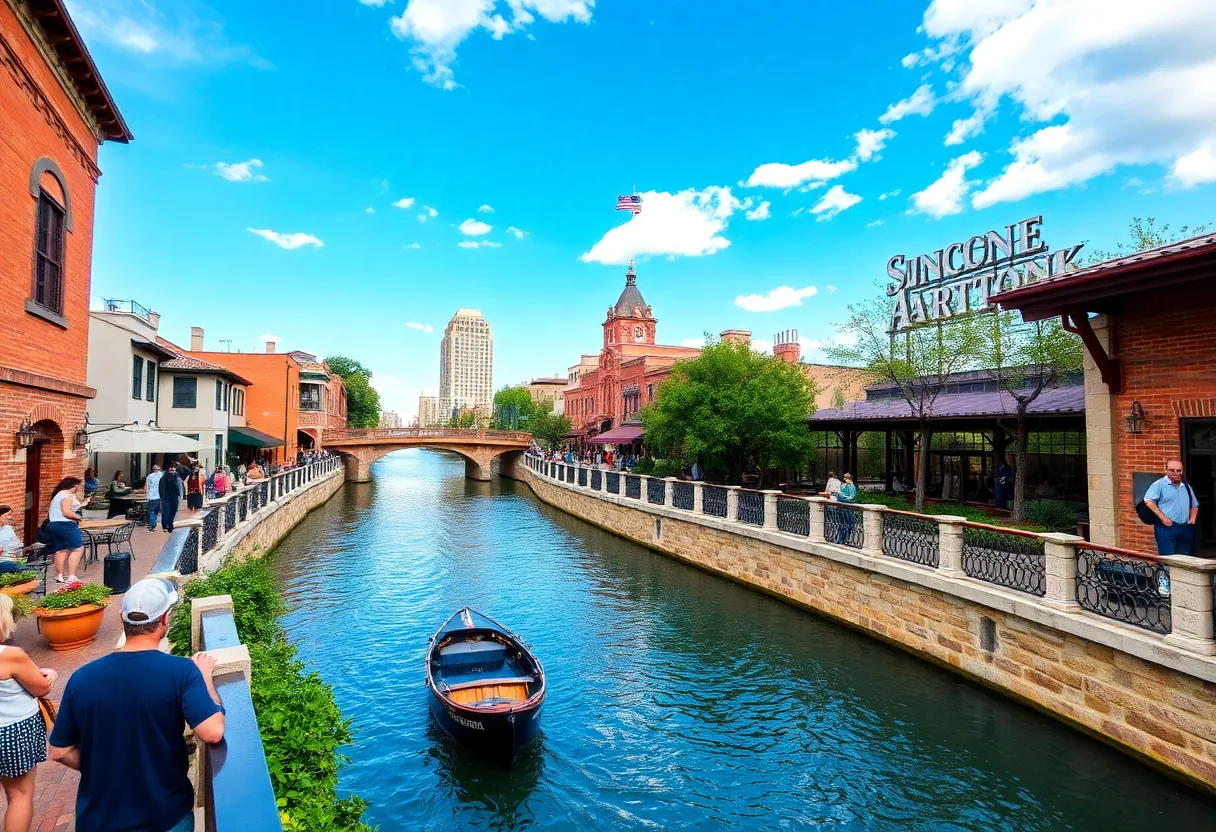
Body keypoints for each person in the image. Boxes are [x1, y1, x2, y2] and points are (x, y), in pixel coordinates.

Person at [49, 579, 225, 832]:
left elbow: (59, 751)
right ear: (165, 619)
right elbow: (213, 731)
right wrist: (205, 676)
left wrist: (105, 769)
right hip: (163, 816)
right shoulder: (181, 671)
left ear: (122, 618)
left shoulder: (81, 678)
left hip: (97, 821)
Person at [0, 594, 58, 832]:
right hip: (11, 731)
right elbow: (40, 687)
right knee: (19, 795)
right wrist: (50, 674)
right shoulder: (9, 655)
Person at [1144, 458, 1200, 555]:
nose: (1176, 473)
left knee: (1184, 561)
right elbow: (1148, 501)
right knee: (1168, 561)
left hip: (1185, 528)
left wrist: (1192, 520)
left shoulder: (1186, 486)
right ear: (1166, 470)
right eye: (1172, 470)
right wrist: (1163, 518)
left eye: (1179, 470)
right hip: (1167, 529)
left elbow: (1194, 505)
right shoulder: (1159, 485)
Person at [47, 477, 84, 584]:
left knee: (61, 550)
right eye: (78, 485)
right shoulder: (67, 496)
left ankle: (59, 576)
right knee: (77, 549)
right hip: (66, 525)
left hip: (54, 524)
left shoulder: (58, 495)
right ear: (74, 486)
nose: (79, 487)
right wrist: (78, 518)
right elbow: (66, 512)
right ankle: (71, 576)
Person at [834, 473, 859, 543]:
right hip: (842, 506)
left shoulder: (852, 486)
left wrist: (841, 496)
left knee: (849, 524)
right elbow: (841, 493)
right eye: (845, 479)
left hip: (848, 507)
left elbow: (852, 497)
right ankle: (840, 538)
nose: (845, 480)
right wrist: (839, 495)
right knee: (841, 523)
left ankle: (845, 538)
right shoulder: (844, 485)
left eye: (847, 479)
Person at [158, 463, 181, 533]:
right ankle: (167, 525)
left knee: (169, 511)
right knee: (169, 511)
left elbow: (160, 488)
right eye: (172, 470)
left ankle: (167, 525)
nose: (173, 471)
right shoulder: (170, 477)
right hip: (169, 497)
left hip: (169, 497)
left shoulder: (165, 477)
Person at [145, 465, 164, 532]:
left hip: (151, 495)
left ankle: (151, 523)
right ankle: (152, 524)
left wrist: (147, 495)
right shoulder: (161, 475)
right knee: (155, 510)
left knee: (151, 510)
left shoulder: (149, 476)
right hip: (158, 495)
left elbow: (147, 486)